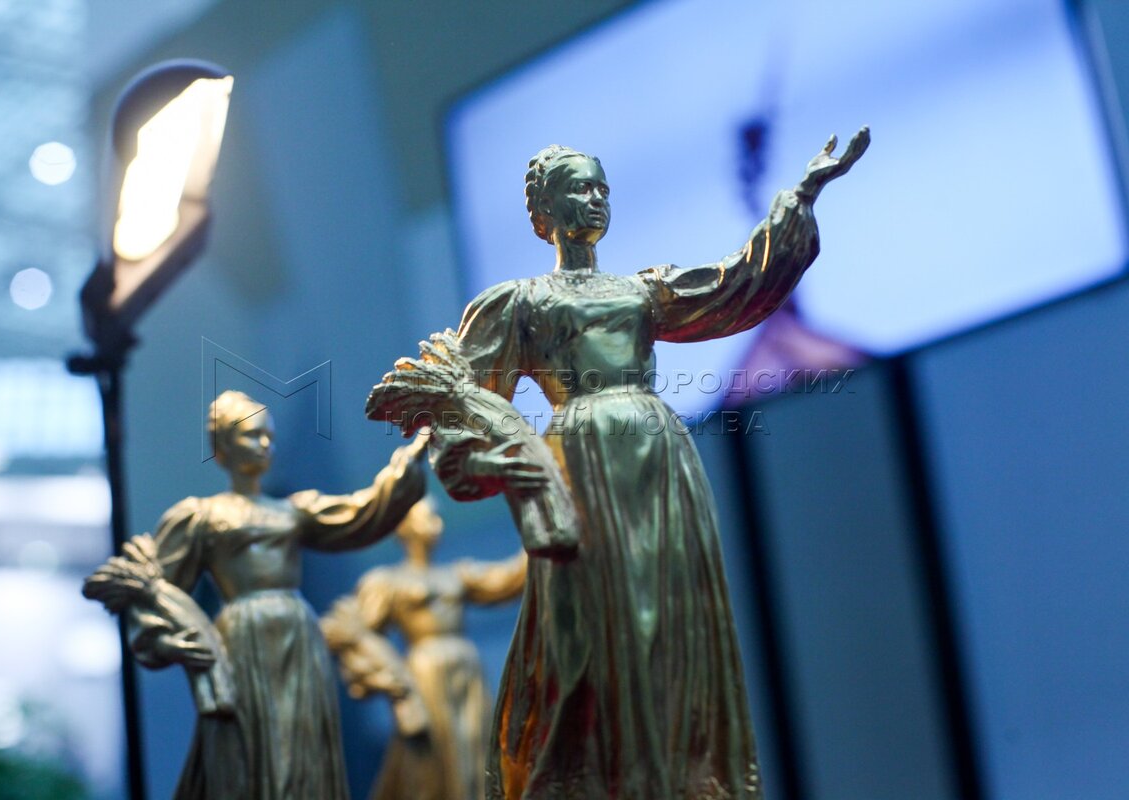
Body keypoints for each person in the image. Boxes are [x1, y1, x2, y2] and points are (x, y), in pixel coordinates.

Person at [430, 131, 868, 799]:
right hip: (581, 461)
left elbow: (735, 285)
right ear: (545, 210)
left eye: (602, 187)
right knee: (590, 622)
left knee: (670, 612)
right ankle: (598, 773)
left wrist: (801, 196)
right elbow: (461, 396)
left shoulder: (641, 290)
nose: (595, 198)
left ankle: (676, 769)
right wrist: (490, 461)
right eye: (579, 188)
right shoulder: (520, 302)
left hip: (657, 456)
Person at [124, 391, 426, 800]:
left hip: (297, 635)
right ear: (223, 446)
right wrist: (172, 640)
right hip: (242, 639)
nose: (265, 444)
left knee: (301, 741)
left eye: (269, 435)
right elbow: (157, 592)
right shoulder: (202, 517)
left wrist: (409, 460)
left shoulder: (293, 511)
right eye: (252, 435)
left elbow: (361, 513)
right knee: (247, 743)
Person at [326, 499, 526, 800]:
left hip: (465, 669)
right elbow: (350, 630)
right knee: (435, 753)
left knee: (476, 743)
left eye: (436, 518)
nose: (436, 525)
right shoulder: (388, 581)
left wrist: (534, 541)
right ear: (404, 528)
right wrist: (395, 685)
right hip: (426, 674)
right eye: (427, 518)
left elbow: (505, 580)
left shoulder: (456, 574)